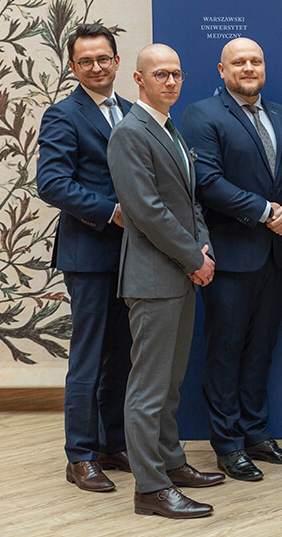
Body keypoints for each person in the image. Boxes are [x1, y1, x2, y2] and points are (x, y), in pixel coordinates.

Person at [107, 44, 224, 518]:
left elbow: (189, 202)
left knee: (170, 383)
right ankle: (150, 489)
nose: (171, 82)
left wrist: (205, 247)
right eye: (160, 74)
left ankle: (171, 462)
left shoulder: (170, 129)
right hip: (154, 277)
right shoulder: (130, 133)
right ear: (138, 80)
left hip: (180, 272)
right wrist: (191, 256)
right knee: (148, 389)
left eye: (176, 73)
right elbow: (147, 212)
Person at [181, 38, 282, 482]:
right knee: (224, 352)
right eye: (239, 62)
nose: (249, 67)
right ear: (221, 69)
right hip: (231, 258)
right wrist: (267, 211)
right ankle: (228, 445)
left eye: (256, 60)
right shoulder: (202, 115)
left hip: (277, 255)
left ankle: (256, 435)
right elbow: (207, 181)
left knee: (260, 351)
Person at [37, 23, 133, 492]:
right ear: (73, 67)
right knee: (90, 357)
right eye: (86, 61)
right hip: (90, 253)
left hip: (135, 256)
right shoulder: (63, 115)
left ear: (117, 61)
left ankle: (112, 444)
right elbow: (52, 182)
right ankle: (79, 455)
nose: (96, 67)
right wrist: (111, 211)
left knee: (124, 357)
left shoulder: (135, 112)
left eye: (104, 58)